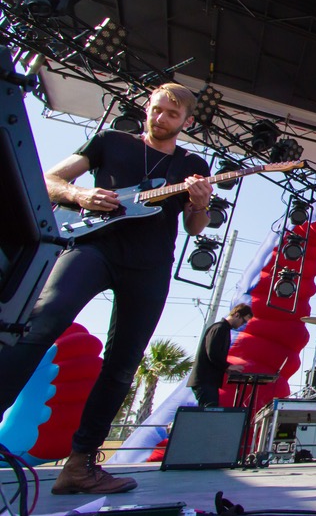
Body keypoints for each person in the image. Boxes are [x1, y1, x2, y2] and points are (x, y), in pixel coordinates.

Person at [0, 82, 213, 493]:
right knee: (41, 323)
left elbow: (193, 226)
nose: (161, 118)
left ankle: (80, 465)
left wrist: (201, 203)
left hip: (149, 265)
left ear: (186, 121)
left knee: (122, 364)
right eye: (156, 109)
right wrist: (78, 193)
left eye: (172, 114)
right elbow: (50, 180)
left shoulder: (192, 163)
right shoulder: (110, 141)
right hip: (93, 247)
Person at [188, 304, 253, 407]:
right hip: (205, 379)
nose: (242, 324)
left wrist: (227, 368)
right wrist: (227, 366)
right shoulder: (219, 328)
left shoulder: (224, 329)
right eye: (243, 321)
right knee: (209, 411)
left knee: (210, 410)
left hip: (209, 380)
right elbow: (212, 353)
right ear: (236, 315)